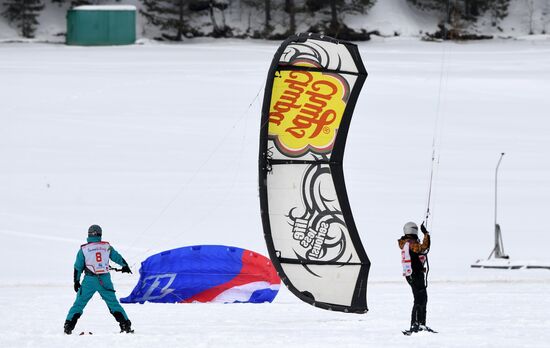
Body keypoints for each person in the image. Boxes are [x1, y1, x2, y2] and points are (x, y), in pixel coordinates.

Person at [64, 224, 134, 334]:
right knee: (113, 303)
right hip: (105, 279)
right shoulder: (106, 246)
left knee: (79, 303)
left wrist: (76, 281)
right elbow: (117, 257)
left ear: (89, 234)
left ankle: (68, 326)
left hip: (89, 280)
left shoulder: (84, 249)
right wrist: (125, 265)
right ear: (100, 234)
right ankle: (126, 325)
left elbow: (78, 267)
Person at [398, 221, 432, 333]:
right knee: (419, 299)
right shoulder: (411, 243)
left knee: (422, 299)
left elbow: (422, 250)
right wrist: (426, 234)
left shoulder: (407, 243)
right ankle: (416, 324)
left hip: (413, 275)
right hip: (415, 275)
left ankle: (420, 324)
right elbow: (424, 247)